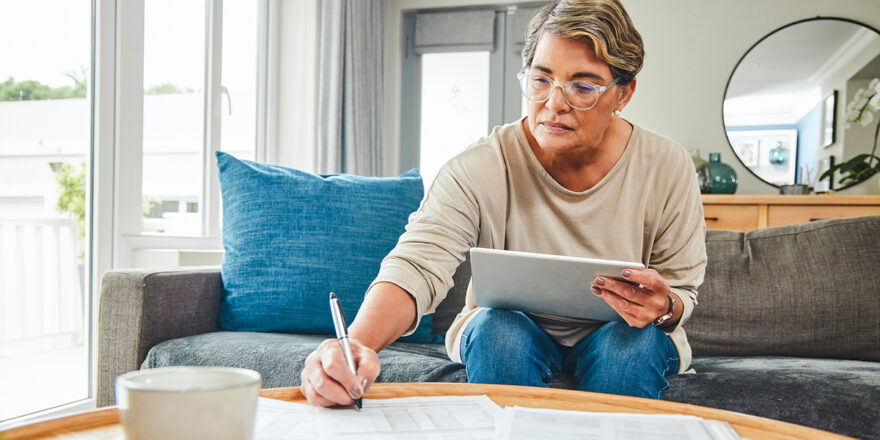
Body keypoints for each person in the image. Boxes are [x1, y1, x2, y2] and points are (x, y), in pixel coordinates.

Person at [300, 0, 706, 406]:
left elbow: (680, 292)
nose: (554, 103)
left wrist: (664, 305)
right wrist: (356, 346)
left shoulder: (666, 165)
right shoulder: (479, 165)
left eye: (582, 87)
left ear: (624, 93)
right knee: (498, 331)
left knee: (629, 346)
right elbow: (417, 265)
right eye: (541, 79)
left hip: (621, 334)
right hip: (508, 330)